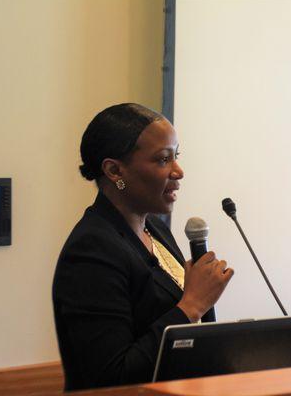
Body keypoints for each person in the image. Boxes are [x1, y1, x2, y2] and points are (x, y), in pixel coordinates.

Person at [52, 103, 234, 391]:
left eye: (176, 156)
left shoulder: (156, 230)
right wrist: (192, 305)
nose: (178, 171)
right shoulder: (91, 251)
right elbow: (111, 377)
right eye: (163, 160)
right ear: (114, 170)